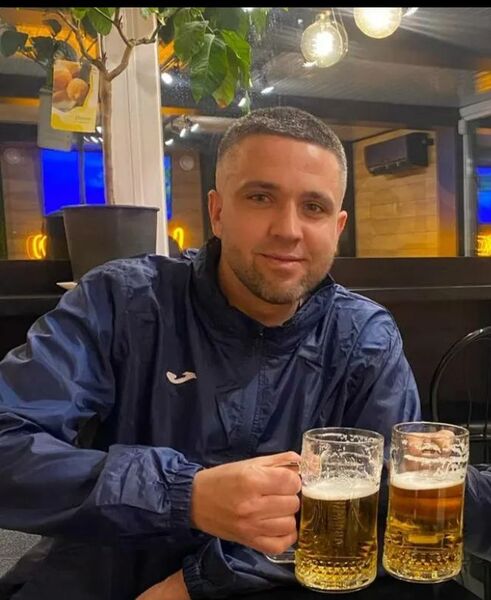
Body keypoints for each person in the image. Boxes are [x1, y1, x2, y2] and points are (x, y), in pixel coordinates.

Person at [0, 107, 420, 600]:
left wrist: (198, 582)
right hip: (112, 575)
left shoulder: (364, 336)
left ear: (338, 226)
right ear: (217, 212)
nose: (289, 229)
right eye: (261, 197)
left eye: (314, 207)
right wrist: (186, 495)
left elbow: (384, 506)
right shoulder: (124, 302)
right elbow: (9, 441)